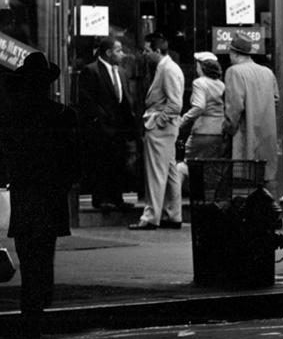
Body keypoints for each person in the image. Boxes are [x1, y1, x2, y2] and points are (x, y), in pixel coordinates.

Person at [0, 51, 79, 332]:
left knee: (27, 246)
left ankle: (31, 298)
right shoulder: (62, 115)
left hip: (25, 188)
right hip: (51, 190)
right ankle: (40, 297)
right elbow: (72, 157)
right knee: (45, 247)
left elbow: (2, 152)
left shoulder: (14, 116)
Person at [130, 33, 184, 231]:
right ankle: (173, 214)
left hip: (160, 128)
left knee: (156, 174)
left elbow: (175, 104)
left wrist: (156, 123)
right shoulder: (168, 67)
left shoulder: (167, 69)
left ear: (157, 51)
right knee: (170, 173)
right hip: (167, 128)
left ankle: (151, 217)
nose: (145, 54)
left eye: (148, 50)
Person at [76, 37, 134, 212]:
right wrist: (102, 121)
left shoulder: (121, 73)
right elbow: (87, 101)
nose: (122, 54)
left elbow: (125, 101)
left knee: (118, 163)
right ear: (108, 53)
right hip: (100, 129)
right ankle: (100, 199)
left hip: (119, 129)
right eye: (118, 50)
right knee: (101, 164)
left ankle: (117, 198)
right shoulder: (91, 71)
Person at [222, 34, 281, 192]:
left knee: (244, 185)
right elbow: (276, 99)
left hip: (245, 136)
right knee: (265, 181)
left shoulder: (234, 72)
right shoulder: (267, 72)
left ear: (233, 53)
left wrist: (226, 129)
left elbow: (234, 108)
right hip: (267, 136)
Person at [180, 52, 226, 160]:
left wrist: (183, 120)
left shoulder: (199, 83)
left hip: (202, 131)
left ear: (201, 67)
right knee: (212, 166)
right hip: (219, 132)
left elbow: (199, 107)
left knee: (189, 162)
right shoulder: (221, 84)